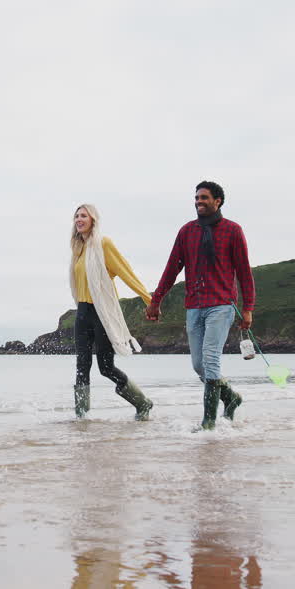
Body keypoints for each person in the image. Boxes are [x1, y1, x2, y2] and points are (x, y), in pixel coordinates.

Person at [145, 181, 255, 430]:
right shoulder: (187, 232)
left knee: (210, 358)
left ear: (218, 201)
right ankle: (231, 398)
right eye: (196, 198)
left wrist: (247, 307)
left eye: (204, 197)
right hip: (194, 305)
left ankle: (208, 423)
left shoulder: (232, 230)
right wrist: (156, 300)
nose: (198, 202)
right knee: (198, 364)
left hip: (222, 305)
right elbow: (172, 267)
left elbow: (244, 272)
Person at [69, 204, 153, 420]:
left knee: (105, 367)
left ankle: (142, 403)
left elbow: (126, 272)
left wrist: (149, 299)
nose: (79, 219)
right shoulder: (78, 249)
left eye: (83, 215)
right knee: (82, 366)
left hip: (102, 313)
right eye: (76, 216)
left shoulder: (103, 244)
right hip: (82, 313)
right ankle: (81, 418)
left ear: (93, 219)